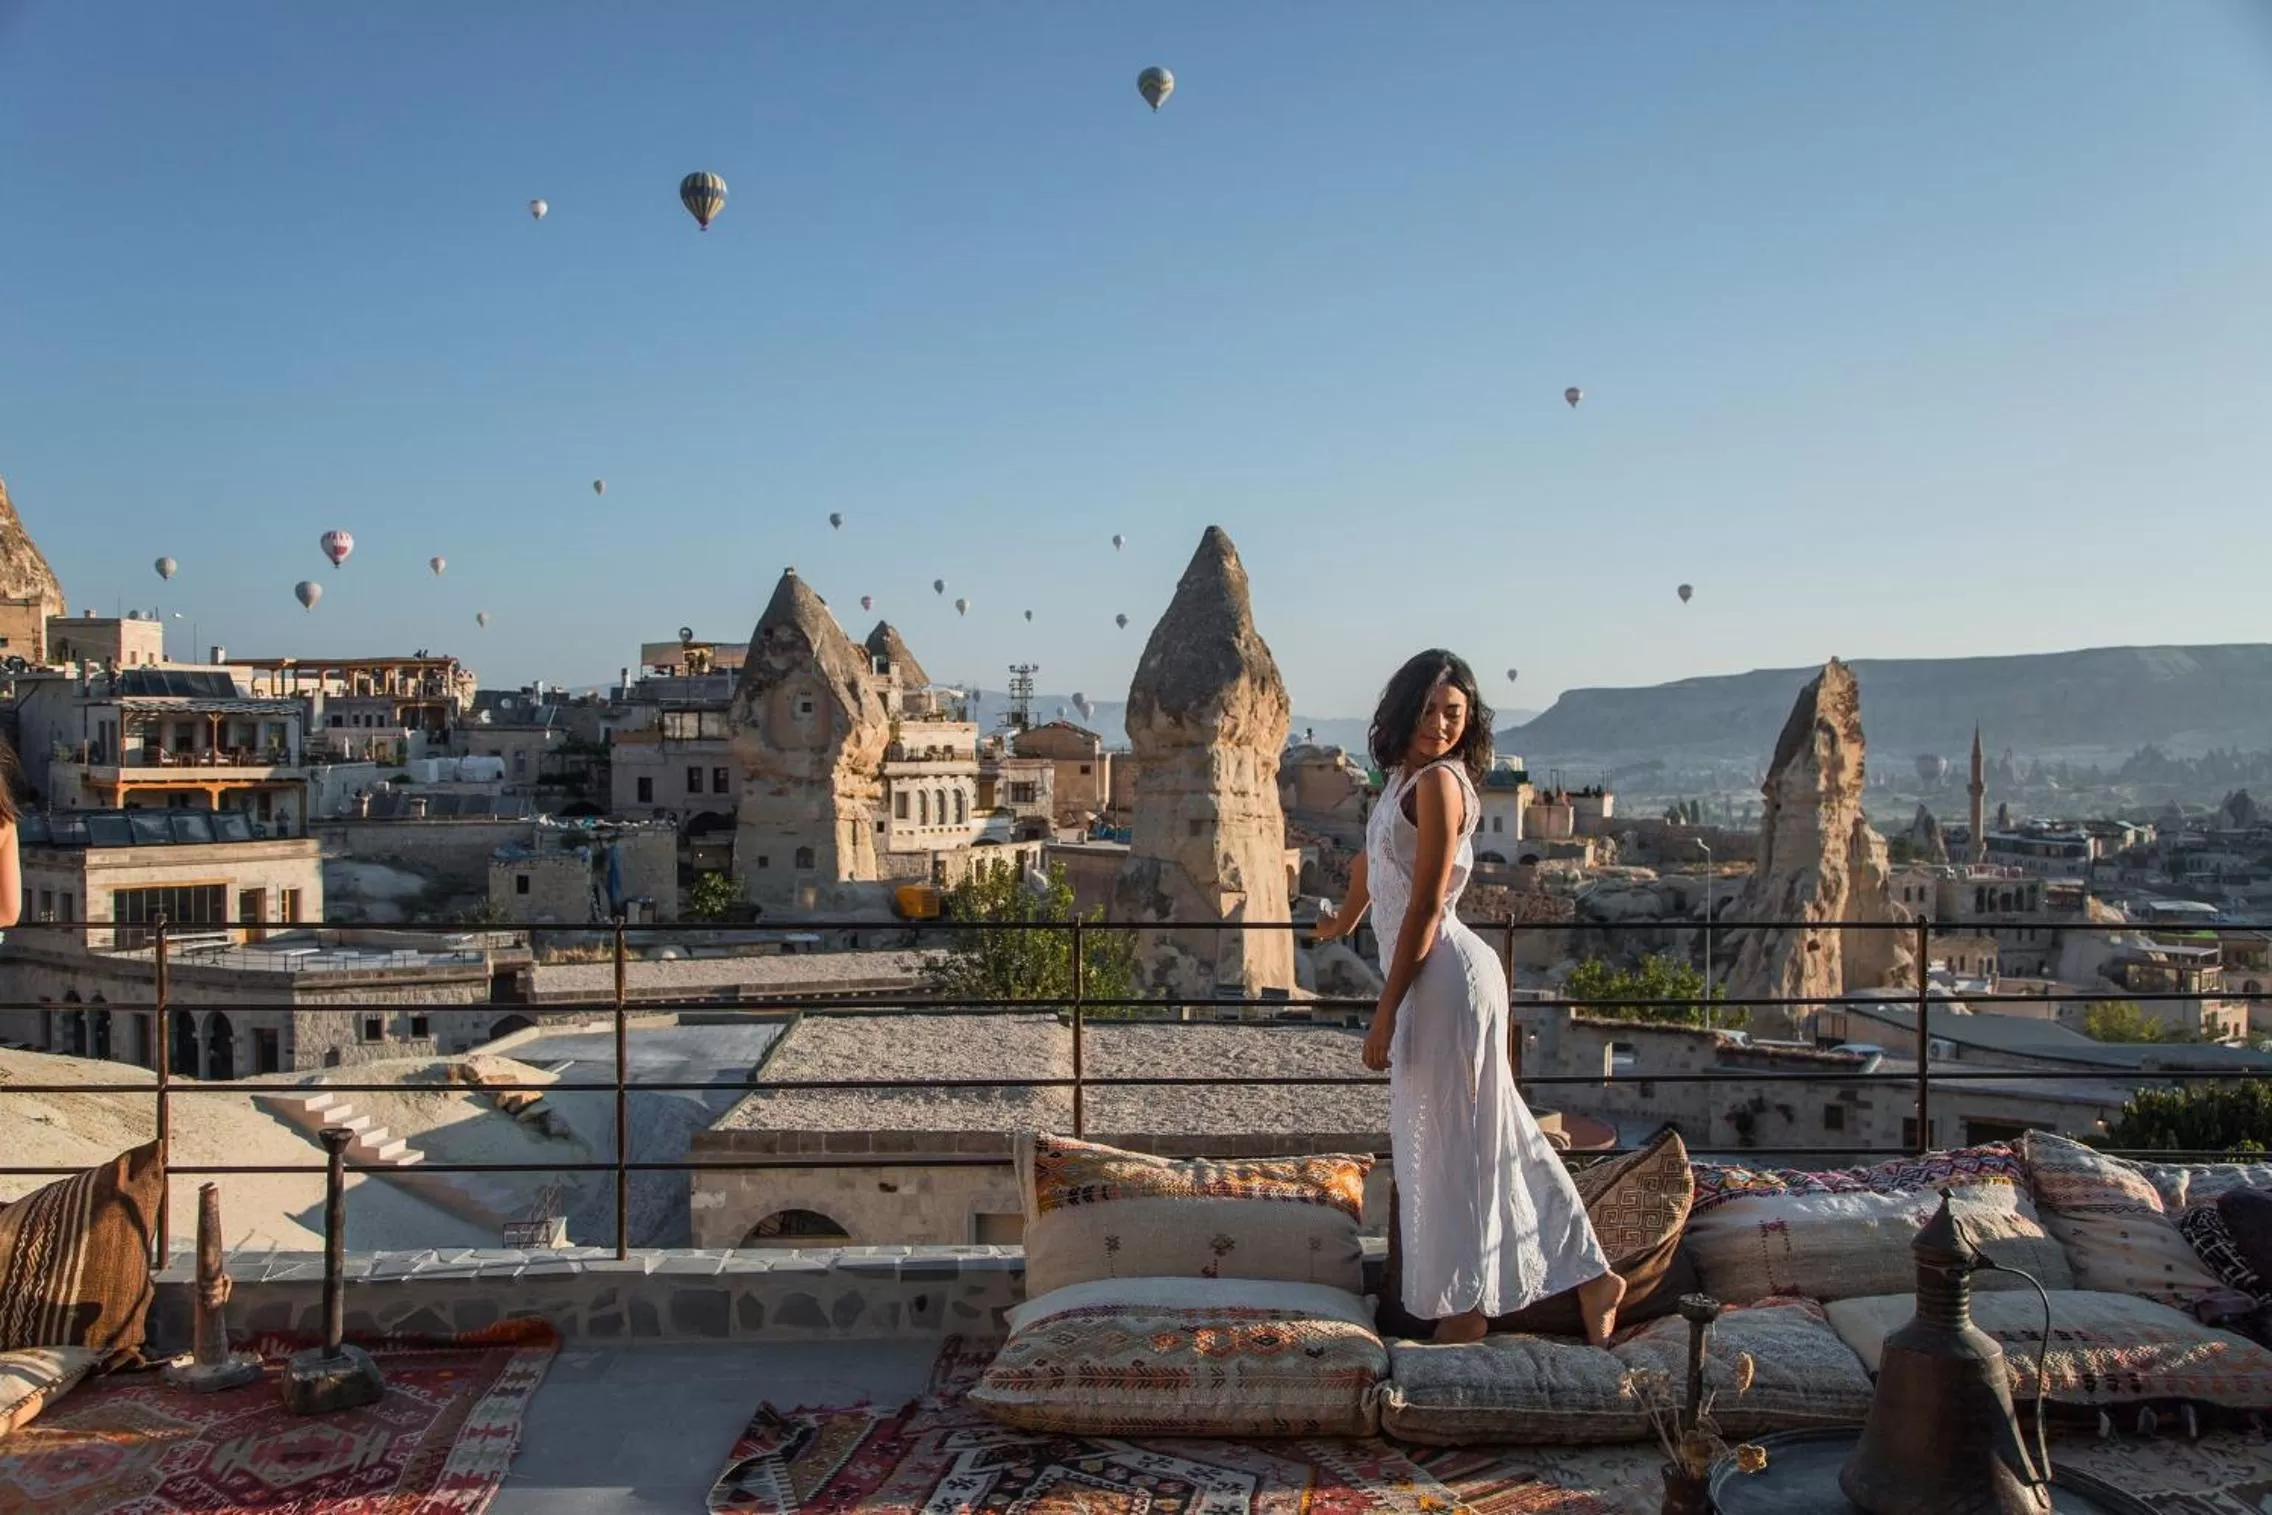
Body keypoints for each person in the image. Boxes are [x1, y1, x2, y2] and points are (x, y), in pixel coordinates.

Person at [1312, 650, 1625, 1346]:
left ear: (1470, 720)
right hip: (1433, 974)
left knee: (1451, 1144)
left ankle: (1464, 1312)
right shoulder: (1402, 778)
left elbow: (1424, 904)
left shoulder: (1442, 786)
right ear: (1402, 710)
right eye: (1429, 709)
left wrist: (1385, 1009)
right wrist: (1344, 919)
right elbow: (1375, 861)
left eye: (1454, 712)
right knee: (1484, 1133)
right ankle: (1583, 1278)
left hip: (1442, 975)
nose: (1440, 724)